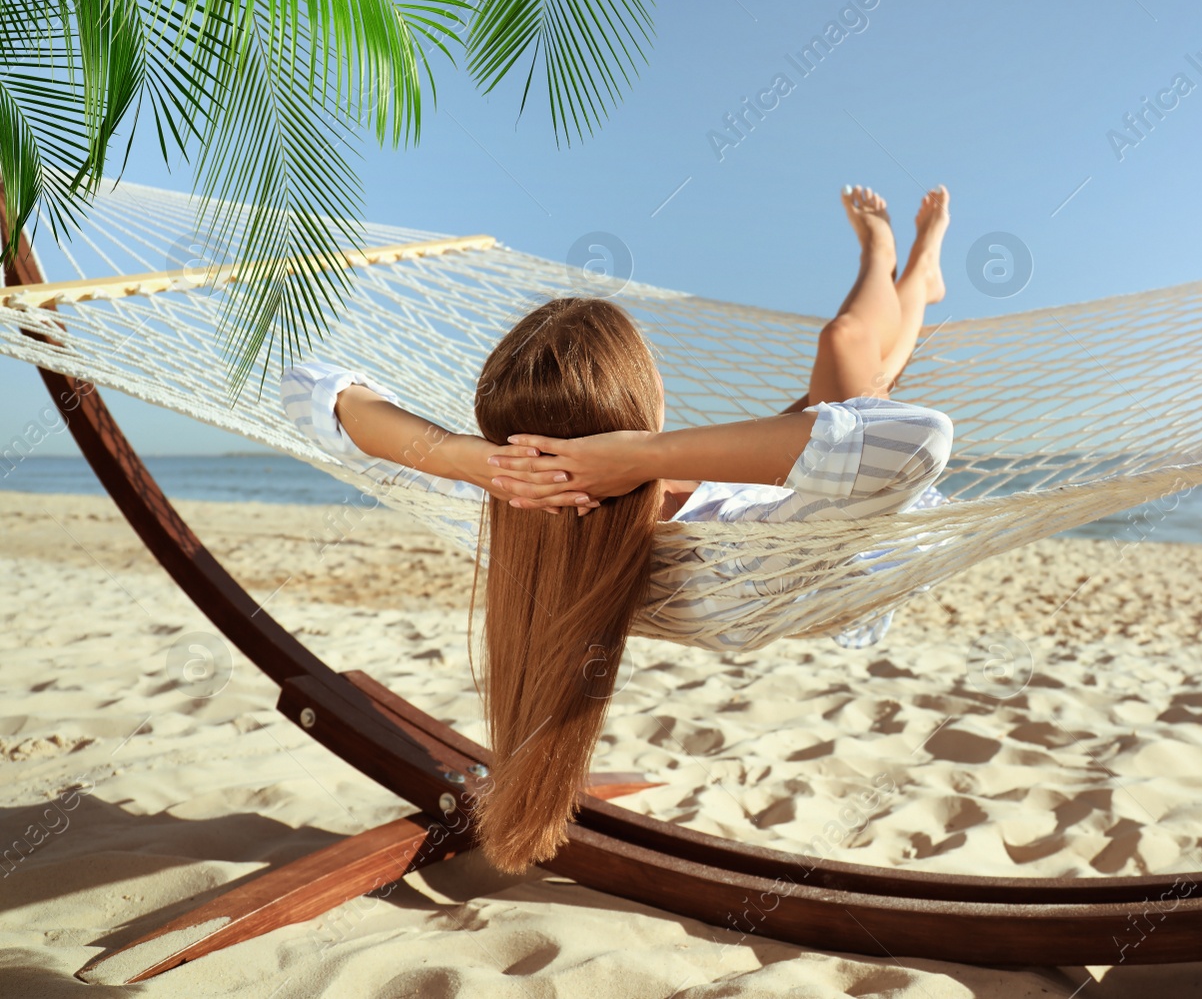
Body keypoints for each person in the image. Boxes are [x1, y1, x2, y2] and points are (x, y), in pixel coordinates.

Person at [280, 185, 954, 871]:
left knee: (847, 364)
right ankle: (899, 262)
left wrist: (473, 460)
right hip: (852, 538)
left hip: (755, 480)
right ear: (648, 405)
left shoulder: (510, 498)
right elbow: (918, 444)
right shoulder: (726, 564)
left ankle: (912, 272)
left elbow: (311, 388)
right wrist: (647, 454)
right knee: (848, 353)